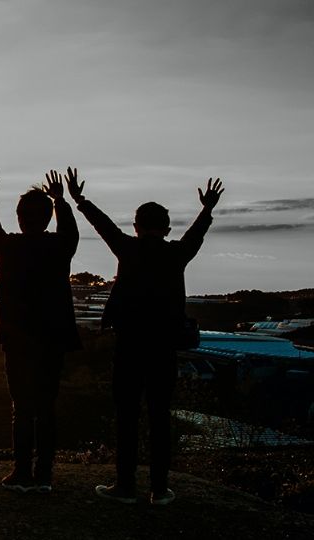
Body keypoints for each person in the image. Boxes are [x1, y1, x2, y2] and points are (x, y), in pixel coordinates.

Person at [69, 168, 224, 505]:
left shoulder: (128, 248)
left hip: (129, 346)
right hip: (164, 347)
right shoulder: (176, 253)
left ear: (136, 227)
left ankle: (124, 485)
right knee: (159, 416)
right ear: (166, 228)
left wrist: (80, 200)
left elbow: (104, 226)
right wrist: (207, 209)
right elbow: (196, 234)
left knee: (126, 416)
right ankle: (159, 488)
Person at [0, 169, 80, 494]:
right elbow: (71, 231)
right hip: (53, 338)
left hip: (18, 340)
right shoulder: (60, 246)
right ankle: (45, 474)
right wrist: (61, 200)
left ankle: (21, 472)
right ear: (48, 218)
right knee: (46, 406)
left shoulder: (10, 247)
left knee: (21, 407)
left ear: (20, 218)